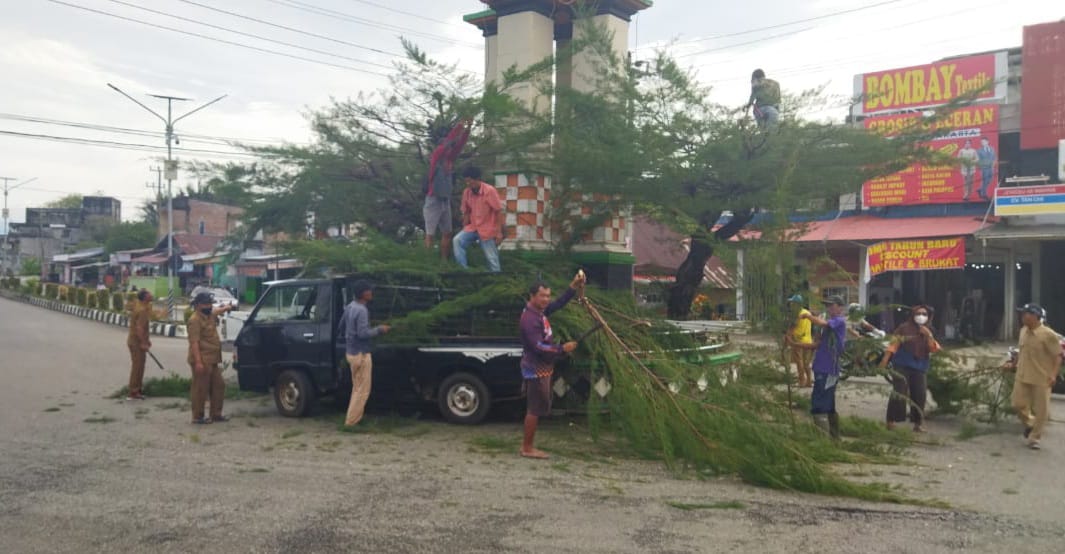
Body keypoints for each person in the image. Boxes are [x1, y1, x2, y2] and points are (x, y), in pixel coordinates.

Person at [518, 271, 586, 459]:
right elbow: (538, 347)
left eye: (548, 295)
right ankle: (527, 448)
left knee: (538, 407)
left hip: (543, 367)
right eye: (542, 296)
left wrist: (573, 286)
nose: (546, 299)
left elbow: (558, 304)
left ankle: (528, 445)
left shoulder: (539, 312)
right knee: (534, 408)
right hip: (535, 369)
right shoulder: (530, 319)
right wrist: (562, 348)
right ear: (532, 296)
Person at [1006, 304, 1061, 450]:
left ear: (1036, 316)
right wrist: (1013, 364)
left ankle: (1034, 438)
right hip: (1023, 374)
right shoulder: (1023, 331)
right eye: (1022, 314)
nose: (1023, 317)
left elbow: (1058, 356)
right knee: (1017, 404)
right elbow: (1021, 351)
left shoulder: (1048, 335)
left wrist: (1053, 375)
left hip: (1041, 377)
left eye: (1026, 314)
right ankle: (1030, 424)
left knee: (1041, 410)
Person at [338, 280, 391, 427]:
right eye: (369, 290)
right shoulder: (361, 310)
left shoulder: (350, 307)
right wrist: (380, 329)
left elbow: (341, 326)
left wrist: (350, 337)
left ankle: (354, 419)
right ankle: (351, 422)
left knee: (357, 389)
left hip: (351, 353)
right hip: (361, 354)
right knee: (362, 391)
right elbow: (362, 334)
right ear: (363, 293)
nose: (371, 292)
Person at [880, 305, 941, 432]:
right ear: (913, 315)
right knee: (899, 391)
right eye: (918, 313)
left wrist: (928, 335)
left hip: (920, 365)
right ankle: (891, 421)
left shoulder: (929, 329)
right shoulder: (904, 328)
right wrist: (885, 361)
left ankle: (918, 424)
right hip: (902, 363)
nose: (921, 316)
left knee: (920, 394)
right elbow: (893, 345)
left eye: (924, 314)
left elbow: (934, 349)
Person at [797, 296, 847, 438]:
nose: (829, 308)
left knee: (820, 403)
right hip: (822, 367)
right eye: (828, 306)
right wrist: (795, 344)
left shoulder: (839, 321)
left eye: (832, 305)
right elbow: (816, 344)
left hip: (829, 369)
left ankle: (823, 439)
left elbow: (822, 323)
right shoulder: (828, 325)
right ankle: (834, 437)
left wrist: (808, 316)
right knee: (828, 404)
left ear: (840, 307)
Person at [423, 119, 471, 261]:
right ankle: (428, 262)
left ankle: (444, 261)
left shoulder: (450, 160)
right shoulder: (436, 157)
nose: (450, 148)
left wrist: (467, 129)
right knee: (430, 234)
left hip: (445, 200)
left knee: (447, 232)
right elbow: (448, 142)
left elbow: (460, 145)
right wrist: (459, 126)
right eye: (447, 146)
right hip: (433, 199)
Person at [186, 292, 233, 424]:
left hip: (212, 359)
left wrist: (226, 308)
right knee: (201, 388)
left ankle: (216, 414)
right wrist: (198, 362)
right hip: (202, 359)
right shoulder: (194, 320)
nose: (209, 306)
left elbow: (217, 311)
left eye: (210, 303)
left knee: (219, 385)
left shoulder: (209, 315)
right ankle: (198, 416)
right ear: (199, 305)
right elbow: (194, 343)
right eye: (207, 304)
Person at [453, 166, 504, 273]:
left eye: (470, 181)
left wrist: (499, 233)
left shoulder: (489, 191)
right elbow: (466, 211)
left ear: (477, 179)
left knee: (491, 258)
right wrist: (464, 227)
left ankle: (497, 278)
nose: (468, 184)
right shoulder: (467, 192)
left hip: (488, 229)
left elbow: (498, 211)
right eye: (466, 181)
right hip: (472, 228)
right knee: (457, 240)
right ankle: (463, 271)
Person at [126, 289, 153, 401]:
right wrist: (143, 343)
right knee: (137, 367)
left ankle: (138, 389)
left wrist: (147, 341)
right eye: (149, 293)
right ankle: (133, 391)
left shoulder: (142, 307)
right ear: (145, 297)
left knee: (140, 366)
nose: (151, 295)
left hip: (136, 341)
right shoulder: (141, 310)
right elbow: (139, 328)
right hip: (136, 343)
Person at [784, 294, 814, 388]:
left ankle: (802, 380)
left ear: (797, 304)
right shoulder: (807, 312)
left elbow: (792, 328)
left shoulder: (796, 314)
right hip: (808, 341)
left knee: (799, 362)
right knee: (806, 363)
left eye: (792, 303)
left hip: (798, 341)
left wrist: (787, 338)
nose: (791, 305)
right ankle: (809, 381)